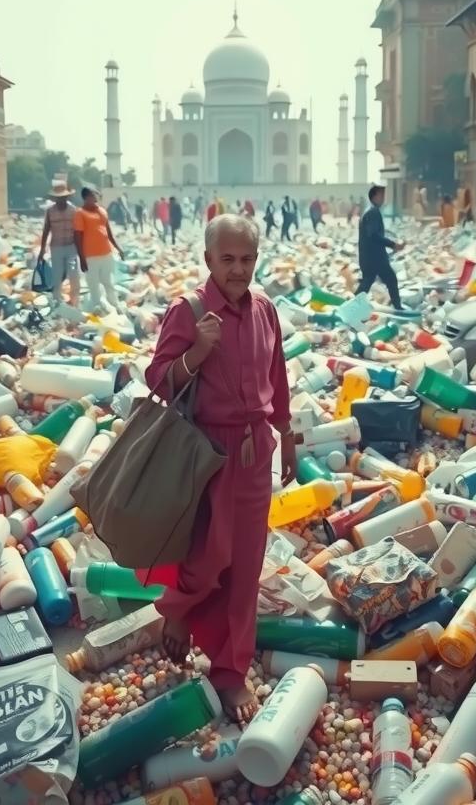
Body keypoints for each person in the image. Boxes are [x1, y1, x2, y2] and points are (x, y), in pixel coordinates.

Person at [145, 214, 294, 722]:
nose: (238, 269)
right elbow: (158, 380)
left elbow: (278, 376)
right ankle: (178, 610)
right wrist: (198, 353)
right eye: (227, 259)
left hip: (257, 450)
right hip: (205, 453)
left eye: (247, 259)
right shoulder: (188, 311)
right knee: (208, 556)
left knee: (246, 566)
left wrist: (288, 437)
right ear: (208, 260)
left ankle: (230, 672)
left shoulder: (266, 310)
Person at [74, 187, 123, 313]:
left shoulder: (102, 211)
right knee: (94, 285)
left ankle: (116, 306)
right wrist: (81, 258)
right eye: (92, 195)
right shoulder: (80, 213)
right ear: (85, 197)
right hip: (90, 256)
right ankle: (98, 309)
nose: (95, 197)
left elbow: (109, 233)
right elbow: (77, 237)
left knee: (109, 282)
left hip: (106, 253)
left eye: (96, 194)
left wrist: (118, 248)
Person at [356, 184, 404, 310]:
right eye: (381, 195)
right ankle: (398, 307)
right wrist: (393, 244)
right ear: (375, 196)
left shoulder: (369, 211)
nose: (383, 198)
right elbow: (373, 236)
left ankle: (352, 305)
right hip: (375, 258)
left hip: (369, 257)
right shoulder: (372, 213)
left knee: (366, 283)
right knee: (391, 279)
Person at [38, 177, 80, 306]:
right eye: (58, 198)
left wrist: (81, 250)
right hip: (56, 248)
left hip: (71, 247)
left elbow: (78, 231)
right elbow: (46, 229)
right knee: (57, 275)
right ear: (55, 198)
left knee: (73, 274)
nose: (61, 200)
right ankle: (57, 301)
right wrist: (42, 249)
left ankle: (75, 302)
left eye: (64, 197)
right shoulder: (50, 211)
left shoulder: (73, 210)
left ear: (67, 197)